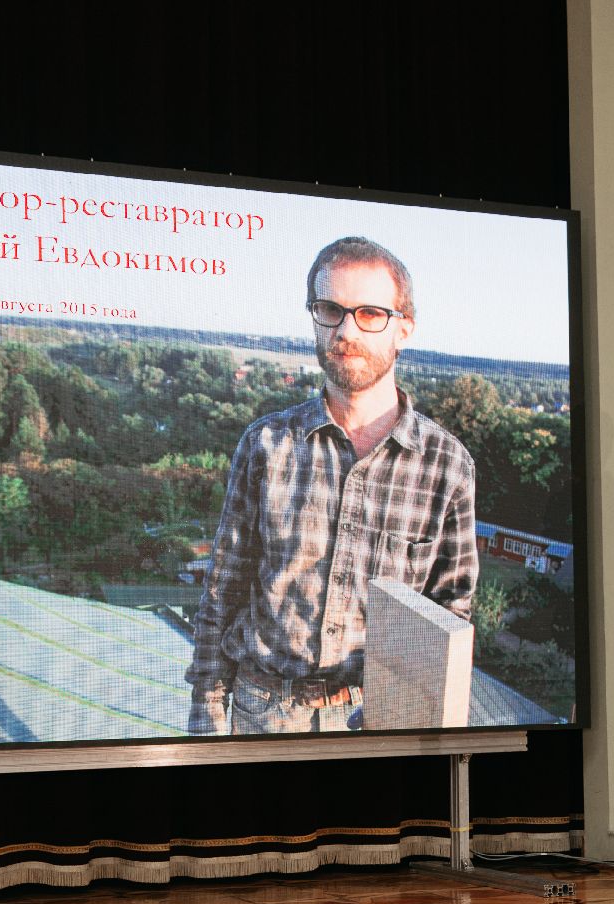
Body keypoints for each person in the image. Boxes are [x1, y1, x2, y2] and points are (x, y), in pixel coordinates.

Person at [186, 236, 477, 735]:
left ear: (403, 327)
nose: (346, 329)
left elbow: (452, 616)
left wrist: (410, 718)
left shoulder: (447, 466)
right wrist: (207, 714)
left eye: (370, 313)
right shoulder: (266, 445)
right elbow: (224, 588)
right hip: (263, 714)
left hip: (380, 719)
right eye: (330, 310)